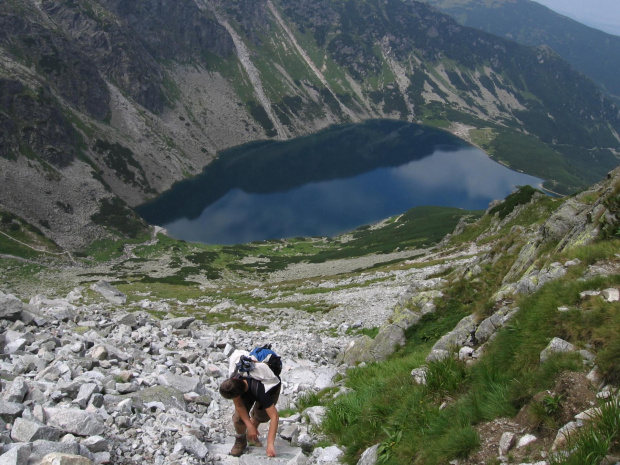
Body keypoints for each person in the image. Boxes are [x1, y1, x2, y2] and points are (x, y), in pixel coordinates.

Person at [219, 350, 281, 457]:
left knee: (263, 416)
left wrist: (270, 445)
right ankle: (240, 441)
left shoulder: (260, 389)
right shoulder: (234, 382)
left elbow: (274, 417)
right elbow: (239, 406)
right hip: (246, 388)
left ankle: (252, 432)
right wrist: (249, 425)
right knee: (239, 418)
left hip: (270, 387)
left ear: (238, 395)